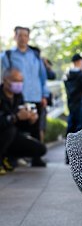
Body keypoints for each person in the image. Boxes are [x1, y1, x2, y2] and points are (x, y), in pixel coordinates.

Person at [0, 26, 49, 167]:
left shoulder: (35, 56)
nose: (23, 38)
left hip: (35, 96)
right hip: (15, 97)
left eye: (25, 35)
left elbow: (42, 77)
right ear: (15, 37)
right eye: (20, 35)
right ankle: (10, 156)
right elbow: (3, 75)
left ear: (28, 37)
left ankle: (36, 158)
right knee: (13, 126)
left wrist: (44, 95)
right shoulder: (7, 55)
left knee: (34, 124)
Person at [0, 68, 47, 175]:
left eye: (21, 81)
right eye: (15, 80)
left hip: (12, 136)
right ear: (5, 80)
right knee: (10, 130)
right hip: (3, 133)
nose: (19, 84)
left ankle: (9, 158)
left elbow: (21, 126)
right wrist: (15, 117)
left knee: (40, 149)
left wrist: (30, 120)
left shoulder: (18, 97)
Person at [64, 53, 82, 142]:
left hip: (70, 104)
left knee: (70, 129)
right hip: (80, 104)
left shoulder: (67, 75)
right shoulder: (81, 75)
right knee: (79, 130)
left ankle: (67, 154)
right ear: (78, 62)